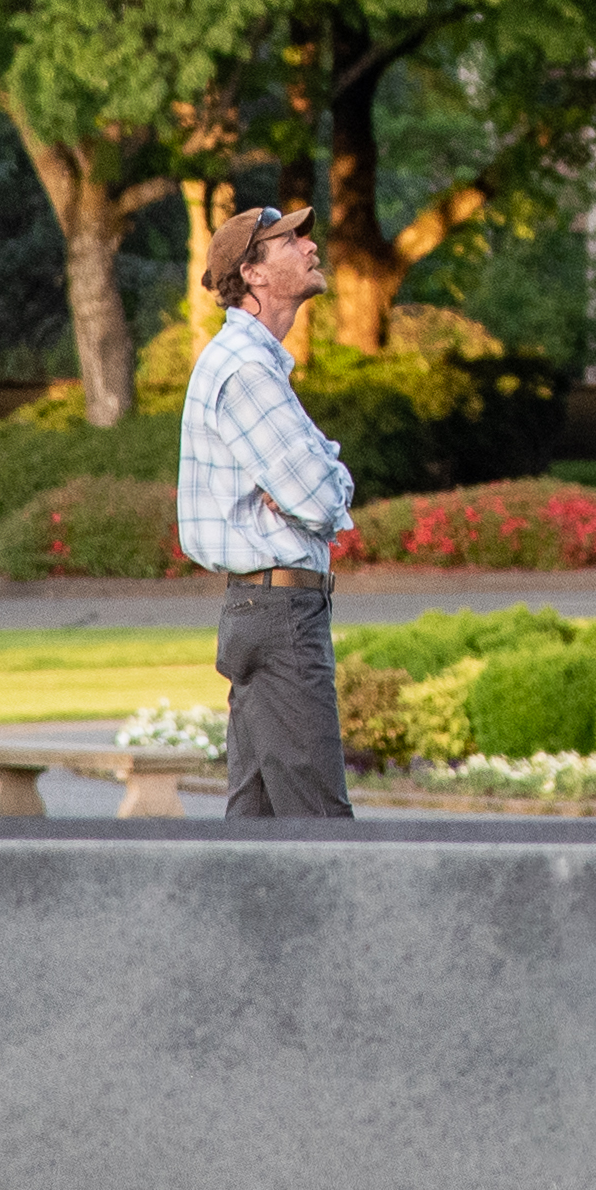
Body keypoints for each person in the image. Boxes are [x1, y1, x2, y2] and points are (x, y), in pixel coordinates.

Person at [178, 204, 357, 818]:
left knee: (253, 832)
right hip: (282, 616)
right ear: (252, 273)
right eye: (290, 241)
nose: (311, 248)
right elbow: (320, 495)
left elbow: (315, 485)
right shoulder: (248, 370)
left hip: (262, 608)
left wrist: (322, 481)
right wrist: (327, 484)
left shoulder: (254, 365)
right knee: (321, 827)